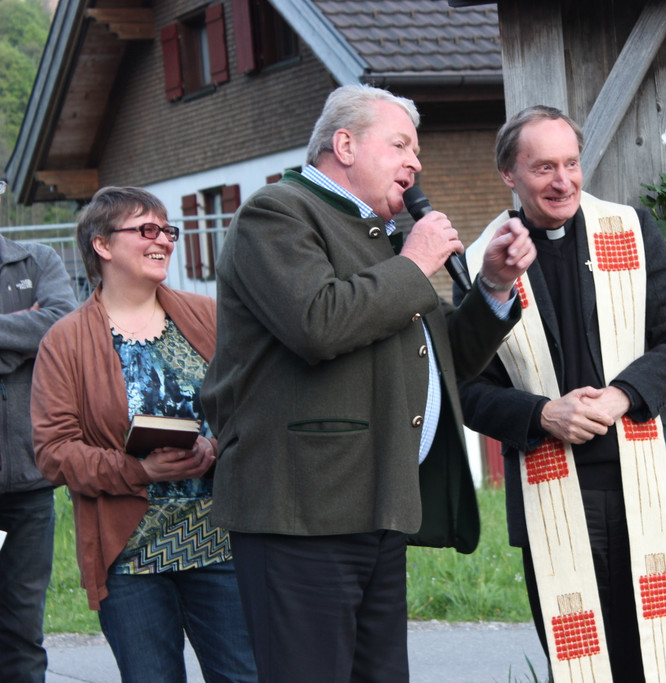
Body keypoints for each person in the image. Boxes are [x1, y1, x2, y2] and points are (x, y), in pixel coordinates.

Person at [199, 84, 536, 683]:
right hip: (301, 508)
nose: (415, 163)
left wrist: (492, 287)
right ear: (345, 145)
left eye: (416, 150)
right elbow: (317, 323)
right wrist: (415, 263)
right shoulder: (276, 213)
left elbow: (445, 360)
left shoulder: (378, 236)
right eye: (400, 145)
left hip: (377, 501)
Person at [457, 106, 666, 681]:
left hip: (642, 480)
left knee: (651, 657)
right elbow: (466, 387)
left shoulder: (630, 230)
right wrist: (544, 414)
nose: (563, 181)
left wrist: (624, 395)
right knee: (579, 664)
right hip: (552, 494)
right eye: (544, 167)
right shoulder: (481, 264)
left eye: (571, 163)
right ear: (509, 174)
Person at [31, 187, 257, 683]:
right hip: (130, 557)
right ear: (102, 245)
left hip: (220, 544)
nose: (164, 241)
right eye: (146, 230)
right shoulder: (65, 341)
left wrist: (215, 446)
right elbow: (53, 452)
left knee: (246, 676)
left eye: (167, 230)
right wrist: (139, 470)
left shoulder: (207, 316)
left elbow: (252, 405)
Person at [0, 177, 78, 683]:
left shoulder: (36, 261)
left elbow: (61, 326)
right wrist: (20, 340)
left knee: (21, 630)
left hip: (27, 487)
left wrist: (38, 332)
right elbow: (38, 333)